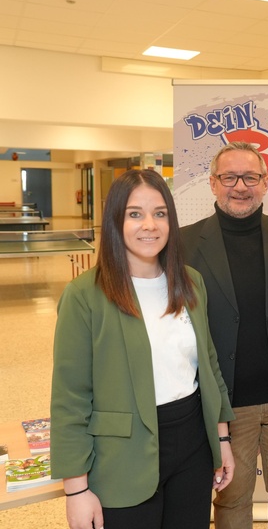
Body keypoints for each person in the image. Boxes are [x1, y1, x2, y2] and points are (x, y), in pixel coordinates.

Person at [51, 169, 235, 529]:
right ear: (115, 221)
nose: (149, 225)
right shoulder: (84, 296)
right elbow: (70, 398)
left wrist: (222, 438)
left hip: (193, 445)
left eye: (160, 213)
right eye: (135, 213)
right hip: (122, 454)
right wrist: (76, 490)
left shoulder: (190, 282)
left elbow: (209, 367)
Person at [180, 141, 268, 528]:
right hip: (225, 405)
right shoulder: (183, 243)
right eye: (229, 177)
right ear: (213, 183)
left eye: (250, 177)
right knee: (232, 500)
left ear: (265, 183)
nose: (240, 186)